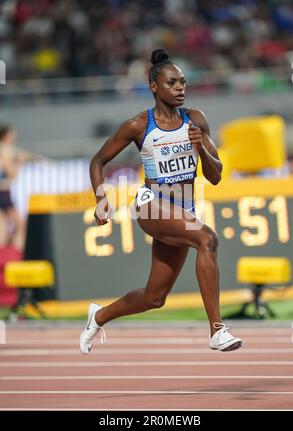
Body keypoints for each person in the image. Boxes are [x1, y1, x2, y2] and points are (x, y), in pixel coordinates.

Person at [80, 49, 242, 354]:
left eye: (182, 82)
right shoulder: (139, 125)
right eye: (172, 82)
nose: (180, 87)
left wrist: (201, 148)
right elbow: (97, 162)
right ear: (154, 86)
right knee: (207, 239)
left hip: (182, 208)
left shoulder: (196, 120)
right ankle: (217, 330)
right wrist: (101, 199)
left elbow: (216, 175)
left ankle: (98, 316)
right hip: (150, 203)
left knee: (155, 297)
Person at [0, 125, 28, 250]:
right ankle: (15, 255)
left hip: (4, 194)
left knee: (8, 227)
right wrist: (19, 162)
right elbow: (12, 173)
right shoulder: (4, 151)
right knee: (18, 224)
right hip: (3, 194)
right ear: (5, 136)